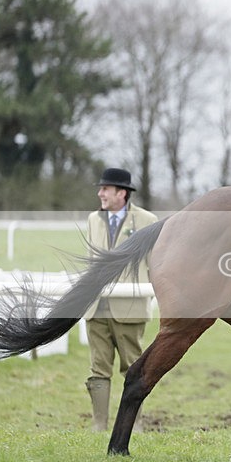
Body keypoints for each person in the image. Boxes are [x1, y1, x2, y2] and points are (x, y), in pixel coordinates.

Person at [84, 168, 157, 431]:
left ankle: (134, 425)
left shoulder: (148, 220)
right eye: (101, 188)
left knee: (133, 368)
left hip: (130, 307)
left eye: (105, 189)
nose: (100, 193)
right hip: (96, 307)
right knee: (98, 368)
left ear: (121, 193)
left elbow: (155, 264)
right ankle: (99, 425)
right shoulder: (93, 219)